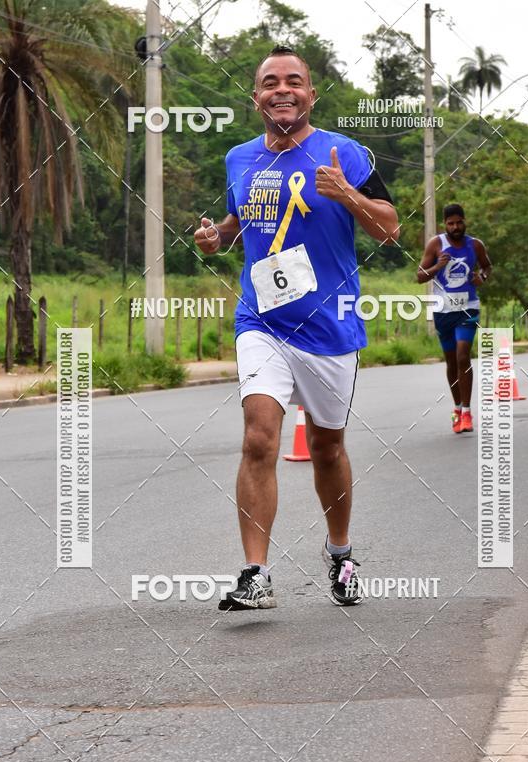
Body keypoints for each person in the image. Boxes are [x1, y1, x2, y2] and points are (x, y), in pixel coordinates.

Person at [194, 45, 399, 609]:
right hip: (261, 320)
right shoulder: (239, 157)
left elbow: (389, 229)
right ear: (256, 96)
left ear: (310, 93)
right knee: (259, 436)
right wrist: (221, 237)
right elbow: (243, 219)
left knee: (328, 447)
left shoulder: (344, 151)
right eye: (269, 82)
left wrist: (349, 195)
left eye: (294, 81)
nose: (282, 90)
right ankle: (255, 574)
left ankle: (340, 553)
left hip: (329, 325)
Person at [417, 204, 492, 433]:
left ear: (465, 221)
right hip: (442, 310)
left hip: (468, 308)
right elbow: (419, 276)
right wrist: (437, 266)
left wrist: (482, 277)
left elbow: (487, 267)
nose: (455, 227)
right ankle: (457, 408)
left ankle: (468, 412)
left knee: (462, 356)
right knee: (451, 361)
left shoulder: (475, 245)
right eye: (451, 223)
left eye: (459, 222)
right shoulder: (436, 244)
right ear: (445, 224)